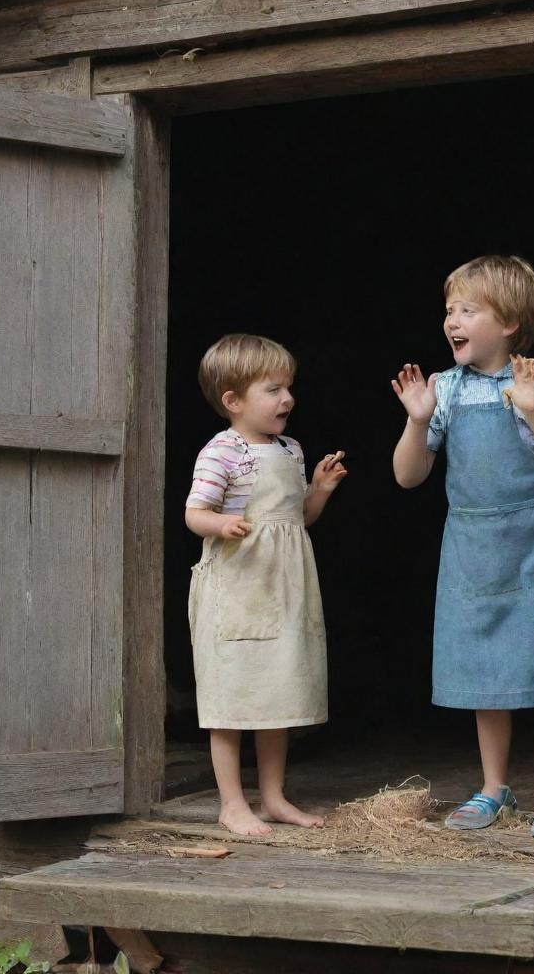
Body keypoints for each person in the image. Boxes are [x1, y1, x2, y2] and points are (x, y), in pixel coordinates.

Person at [391, 255, 534, 837]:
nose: (451, 320)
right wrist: (417, 421)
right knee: (486, 672)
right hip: (474, 544)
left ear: (510, 322)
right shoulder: (446, 389)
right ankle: (495, 787)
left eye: (468, 309)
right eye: (449, 310)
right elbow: (408, 477)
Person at [186, 333, 347, 836]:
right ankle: (233, 804)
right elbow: (194, 513)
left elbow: (296, 518)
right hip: (238, 591)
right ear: (233, 401)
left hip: (282, 590)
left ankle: (274, 797)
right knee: (231, 698)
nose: (287, 399)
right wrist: (221, 526)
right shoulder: (222, 453)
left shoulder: (291, 449)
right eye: (273, 390)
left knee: (276, 695)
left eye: (288, 388)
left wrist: (318, 490)